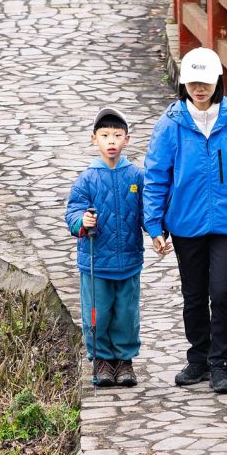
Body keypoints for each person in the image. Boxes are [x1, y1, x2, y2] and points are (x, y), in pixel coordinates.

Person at [143, 47, 227, 395]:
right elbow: (156, 177)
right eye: (193, 82)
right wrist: (154, 226)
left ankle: (221, 364)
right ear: (184, 83)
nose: (199, 89)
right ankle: (198, 359)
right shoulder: (170, 125)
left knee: (222, 292)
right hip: (186, 224)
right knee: (193, 295)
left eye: (205, 82)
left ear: (217, 81)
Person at [65, 106, 144, 387]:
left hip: (129, 260)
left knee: (126, 313)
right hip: (96, 261)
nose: (111, 141)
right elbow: (73, 211)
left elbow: (147, 212)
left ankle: (124, 361)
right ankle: (101, 360)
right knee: (97, 312)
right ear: (93, 139)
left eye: (117, 135)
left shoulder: (136, 176)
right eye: (105, 135)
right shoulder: (87, 178)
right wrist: (82, 222)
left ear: (127, 139)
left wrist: (158, 233)